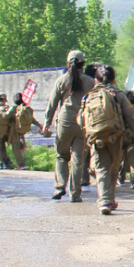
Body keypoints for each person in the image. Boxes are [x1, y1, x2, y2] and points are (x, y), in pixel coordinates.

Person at [79, 64, 128, 215]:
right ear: (113, 80)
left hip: (97, 137)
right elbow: (131, 117)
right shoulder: (117, 95)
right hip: (116, 136)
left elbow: (80, 120)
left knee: (101, 168)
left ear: (96, 80)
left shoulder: (88, 96)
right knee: (113, 167)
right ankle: (109, 200)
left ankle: (105, 201)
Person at [44, 50, 91, 202]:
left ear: (68, 63)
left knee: (62, 156)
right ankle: (75, 193)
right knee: (78, 159)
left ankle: (59, 187)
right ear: (83, 64)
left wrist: (47, 124)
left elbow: (52, 105)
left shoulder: (61, 80)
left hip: (64, 121)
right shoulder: (90, 82)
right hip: (82, 123)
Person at [8, 93, 42, 169]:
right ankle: (22, 149)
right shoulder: (26, 109)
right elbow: (32, 120)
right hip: (22, 130)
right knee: (19, 145)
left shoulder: (14, 109)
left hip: (14, 130)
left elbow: (6, 117)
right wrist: (40, 125)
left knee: (15, 147)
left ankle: (21, 165)